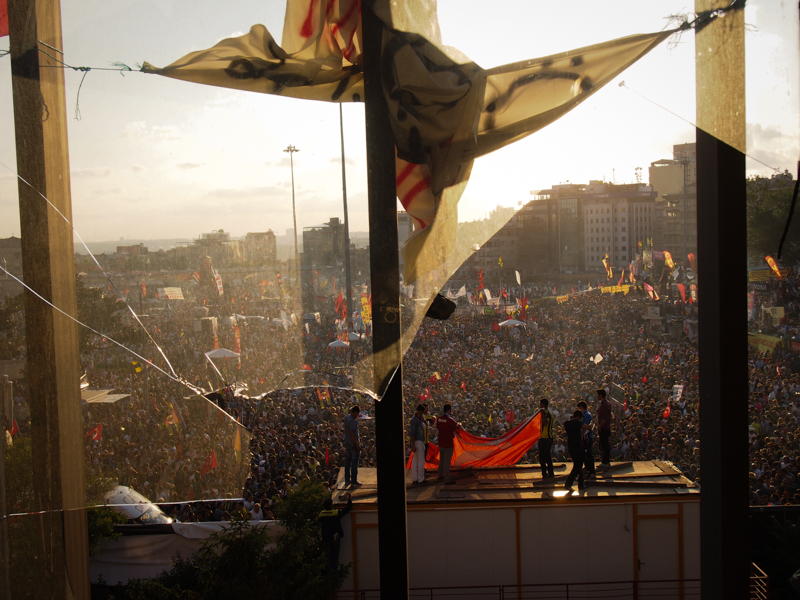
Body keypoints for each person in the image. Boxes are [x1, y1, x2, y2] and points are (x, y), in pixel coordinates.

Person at [319, 493, 352, 572]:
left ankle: (329, 573)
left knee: (328, 557)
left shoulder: (321, 514)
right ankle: (334, 572)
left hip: (326, 538)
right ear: (331, 505)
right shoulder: (335, 513)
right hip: (335, 538)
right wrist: (349, 499)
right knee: (335, 556)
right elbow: (347, 509)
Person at [563, 410, 591, 490]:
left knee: (578, 465)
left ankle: (581, 484)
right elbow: (588, 427)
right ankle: (568, 483)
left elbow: (568, 422)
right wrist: (593, 424)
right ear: (578, 417)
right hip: (578, 447)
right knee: (577, 466)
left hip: (571, 447)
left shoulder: (567, 423)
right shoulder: (578, 423)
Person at [436, 403, 462, 485]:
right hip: (448, 443)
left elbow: (437, 427)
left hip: (440, 442)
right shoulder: (450, 420)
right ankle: (447, 479)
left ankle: (439, 475)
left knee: (441, 460)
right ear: (449, 410)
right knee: (447, 462)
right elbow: (457, 426)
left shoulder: (439, 419)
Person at [409, 404, 430, 484]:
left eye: (421, 413)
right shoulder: (415, 420)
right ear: (417, 411)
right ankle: (420, 479)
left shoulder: (420, 418)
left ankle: (415, 478)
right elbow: (412, 434)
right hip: (418, 441)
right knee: (420, 461)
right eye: (419, 413)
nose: (420, 415)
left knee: (415, 461)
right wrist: (413, 445)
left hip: (420, 441)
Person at [344, 405, 362, 487]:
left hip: (348, 443)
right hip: (353, 444)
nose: (356, 416)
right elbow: (352, 434)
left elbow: (349, 411)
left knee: (348, 462)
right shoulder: (352, 421)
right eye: (355, 414)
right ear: (353, 413)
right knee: (354, 463)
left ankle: (347, 480)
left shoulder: (348, 417)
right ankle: (353, 480)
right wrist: (357, 445)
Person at [577, 400, 596, 478]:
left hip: (587, 437)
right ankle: (588, 468)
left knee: (588, 454)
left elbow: (587, 427)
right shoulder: (585, 414)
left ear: (581, 407)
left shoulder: (586, 415)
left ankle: (592, 471)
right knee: (584, 454)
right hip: (585, 437)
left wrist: (582, 435)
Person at [538, 398, 555, 479]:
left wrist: (542, 414)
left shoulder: (547, 413)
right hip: (545, 437)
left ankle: (545, 474)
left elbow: (545, 423)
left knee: (542, 457)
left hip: (546, 438)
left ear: (543, 405)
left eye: (540, 404)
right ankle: (550, 473)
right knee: (547, 456)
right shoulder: (548, 413)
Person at [596, 388, 613, 466]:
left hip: (604, 428)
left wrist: (599, 426)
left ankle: (605, 461)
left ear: (601, 395)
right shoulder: (606, 403)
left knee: (605, 445)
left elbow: (605, 418)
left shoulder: (604, 405)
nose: (597, 396)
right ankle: (606, 461)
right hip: (605, 427)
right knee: (605, 444)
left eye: (597, 395)